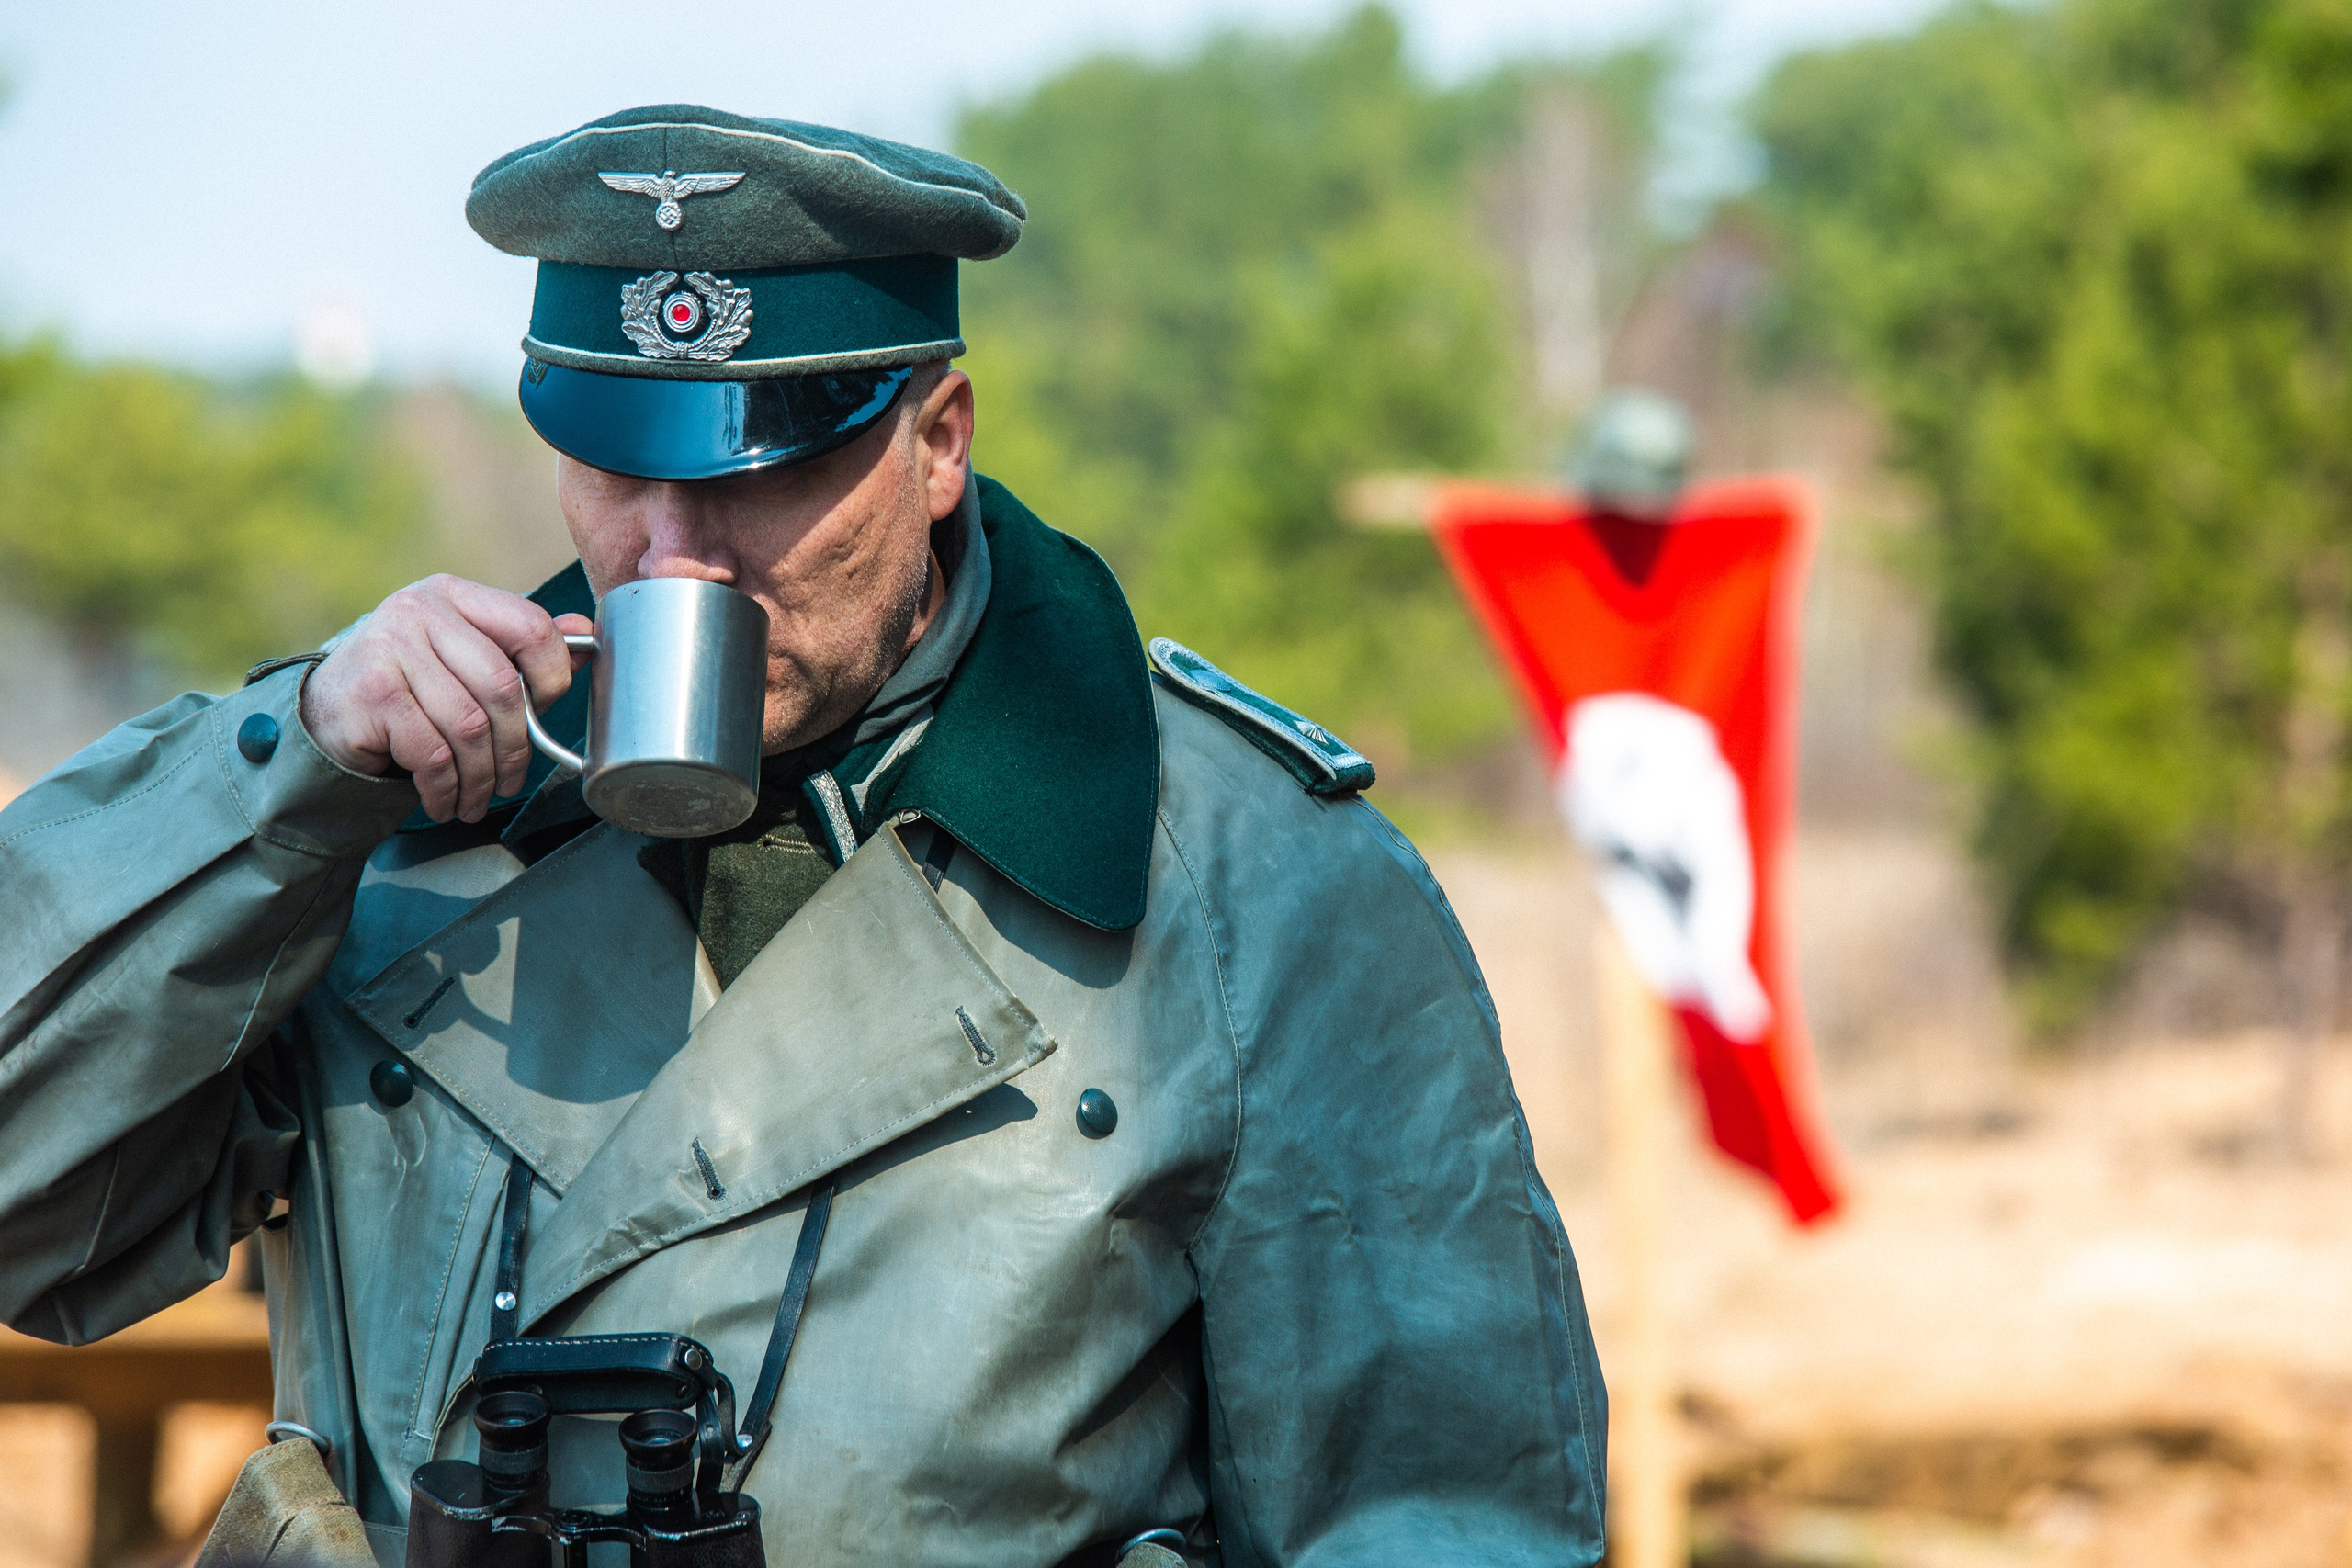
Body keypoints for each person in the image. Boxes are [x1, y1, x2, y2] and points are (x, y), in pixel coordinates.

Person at [0, 106, 1607, 1567]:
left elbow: (1444, 1517)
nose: (673, 556)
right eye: (618, 467)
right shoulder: (384, 810)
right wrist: (280, 778)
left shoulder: (1254, 882)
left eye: (760, 474)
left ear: (939, 439)